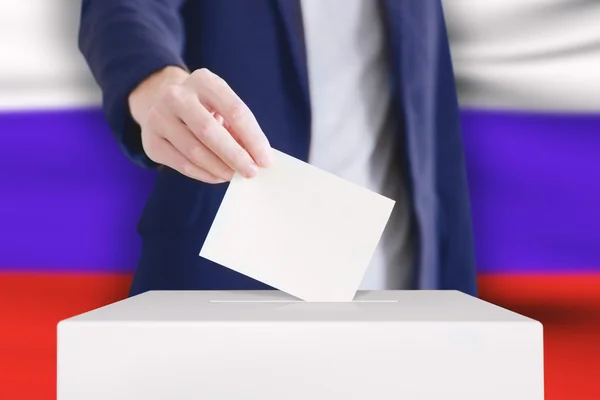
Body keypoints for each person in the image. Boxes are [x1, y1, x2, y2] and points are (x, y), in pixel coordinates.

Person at [78, 0, 477, 297]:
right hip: (227, 283)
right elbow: (124, 10)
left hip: (397, 286)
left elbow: (432, 113)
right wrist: (159, 84)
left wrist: (457, 296)